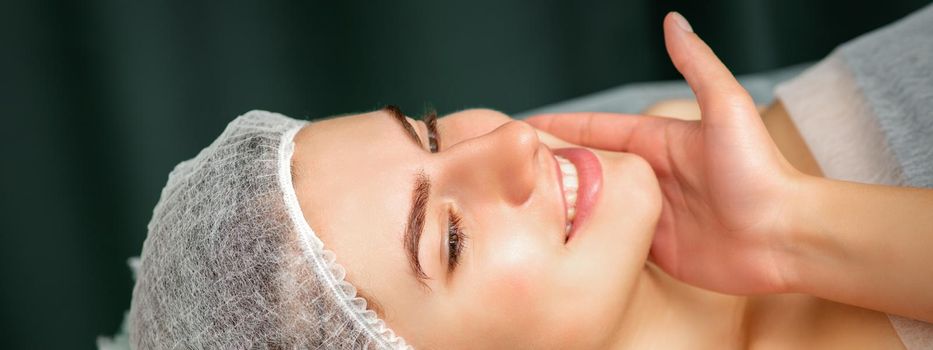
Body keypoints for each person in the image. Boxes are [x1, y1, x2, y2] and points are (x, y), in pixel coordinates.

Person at [125, 11, 932, 350]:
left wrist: (793, 227)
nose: (509, 144)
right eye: (449, 238)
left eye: (430, 131)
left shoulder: (876, 100)